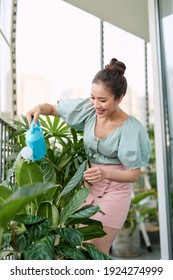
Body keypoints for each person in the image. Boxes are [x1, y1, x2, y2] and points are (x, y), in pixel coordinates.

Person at [26, 58, 151, 255]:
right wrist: (39, 108)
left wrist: (105, 173)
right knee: (83, 247)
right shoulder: (89, 110)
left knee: (97, 250)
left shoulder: (131, 129)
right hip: (89, 187)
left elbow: (134, 174)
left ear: (119, 98)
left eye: (103, 100)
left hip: (116, 190)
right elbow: (53, 109)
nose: (95, 104)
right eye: (92, 97)